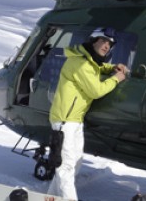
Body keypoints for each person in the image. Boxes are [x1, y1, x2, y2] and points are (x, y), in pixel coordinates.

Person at [47, 27, 128, 200]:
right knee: (66, 166)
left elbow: (97, 68)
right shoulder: (80, 63)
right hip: (64, 120)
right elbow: (95, 90)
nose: (107, 46)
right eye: (103, 41)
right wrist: (115, 78)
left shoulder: (89, 60)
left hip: (75, 120)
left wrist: (112, 67)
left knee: (74, 163)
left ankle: (50, 197)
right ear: (93, 41)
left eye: (110, 44)